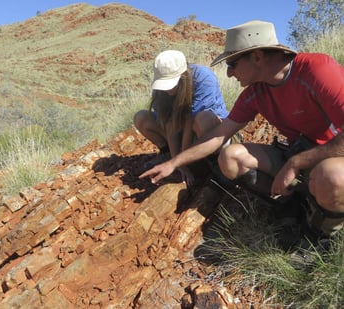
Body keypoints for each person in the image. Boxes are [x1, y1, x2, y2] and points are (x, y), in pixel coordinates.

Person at [139, 20, 344, 244]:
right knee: (231, 157)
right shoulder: (254, 93)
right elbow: (219, 135)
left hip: (332, 158)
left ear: (256, 57)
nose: (228, 73)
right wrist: (174, 162)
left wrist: (295, 163)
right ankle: (292, 204)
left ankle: (319, 237)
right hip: (300, 155)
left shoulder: (317, 69)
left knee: (331, 176)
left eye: (232, 64)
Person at [133, 50, 229, 185]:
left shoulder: (204, 78)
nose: (167, 90)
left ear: (183, 75)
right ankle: (166, 154)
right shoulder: (160, 91)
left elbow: (191, 121)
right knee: (141, 117)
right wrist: (176, 161)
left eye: (170, 84)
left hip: (209, 132)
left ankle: (215, 161)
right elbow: (169, 125)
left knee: (203, 119)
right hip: (180, 131)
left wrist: (182, 160)